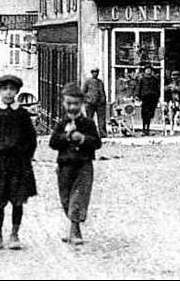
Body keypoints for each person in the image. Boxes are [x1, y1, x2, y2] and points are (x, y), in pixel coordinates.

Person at [0, 74, 37, 251]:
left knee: (18, 199)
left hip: (19, 162)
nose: (8, 93)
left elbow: (31, 138)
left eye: (12, 89)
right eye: (4, 89)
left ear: (17, 91)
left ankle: (14, 234)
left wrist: (26, 156)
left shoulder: (22, 114)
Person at [48, 83, 102, 245]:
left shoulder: (88, 124)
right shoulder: (61, 124)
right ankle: (72, 226)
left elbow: (97, 143)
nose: (72, 107)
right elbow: (53, 143)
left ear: (82, 104)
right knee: (65, 198)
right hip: (65, 166)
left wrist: (83, 139)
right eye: (69, 103)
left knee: (79, 196)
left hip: (83, 165)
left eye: (76, 104)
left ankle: (75, 228)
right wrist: (65, 137)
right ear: (63, 104)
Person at [81, 68, 108, 137]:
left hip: (100, 104)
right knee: (89, 119)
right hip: (90, 103)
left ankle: (103, 133)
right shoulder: (88, 82)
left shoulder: (100, 82)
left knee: (101, 119)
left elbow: (102, 92)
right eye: (94, 72)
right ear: (91, 73)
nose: (95, 74)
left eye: (96, 72)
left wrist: (103, 100)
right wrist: (86, 101)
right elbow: (83, 92)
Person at [134, 67, 160, 135]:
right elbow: (138, 88)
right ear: (144, 71)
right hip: (145, 99)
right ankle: (143, 129)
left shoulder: (154, 80)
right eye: (147, 70)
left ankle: (148, 129)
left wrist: (157, 97)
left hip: (153, 99)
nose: (148, 71)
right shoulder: (142, 79)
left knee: (150, 114)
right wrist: (137, 96)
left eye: (150, 70)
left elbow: (157, 89)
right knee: (145, 114)